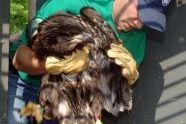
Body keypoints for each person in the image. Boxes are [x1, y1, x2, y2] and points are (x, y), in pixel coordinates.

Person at [8, 0, 171, 123]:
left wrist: (119, 81)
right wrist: (56, 64)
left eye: (147, 21)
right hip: (28, 82)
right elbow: (20, 59)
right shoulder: (79, 3)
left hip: (70, 98)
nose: (139, 24)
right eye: (140, 14)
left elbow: (100, 92)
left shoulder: (136, 40)